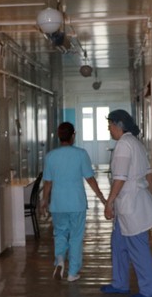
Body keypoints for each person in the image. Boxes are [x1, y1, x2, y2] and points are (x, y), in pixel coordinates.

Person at [101, 109, 152, 297]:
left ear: (119, 125)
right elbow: (148, 176)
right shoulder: (136, 143)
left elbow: (120, 178)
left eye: (110, 126)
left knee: (138, 248)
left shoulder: (124, 145)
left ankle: (149, 292)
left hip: (130, 204)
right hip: (132, 203)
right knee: (118, 243)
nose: (109, 129)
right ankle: (120, 283)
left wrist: (109, 202)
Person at [40, 121, 106, 282]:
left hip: (58, 204)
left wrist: (44, 201)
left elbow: (47, 182)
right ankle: (72, 273)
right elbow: (90, 179)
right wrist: (101, 197)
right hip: (77, 203)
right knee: (76, 237)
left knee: (60, 233)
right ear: (73, 136)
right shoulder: (81, 154)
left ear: (59, 136)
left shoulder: (50, 156)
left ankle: (60, 259)